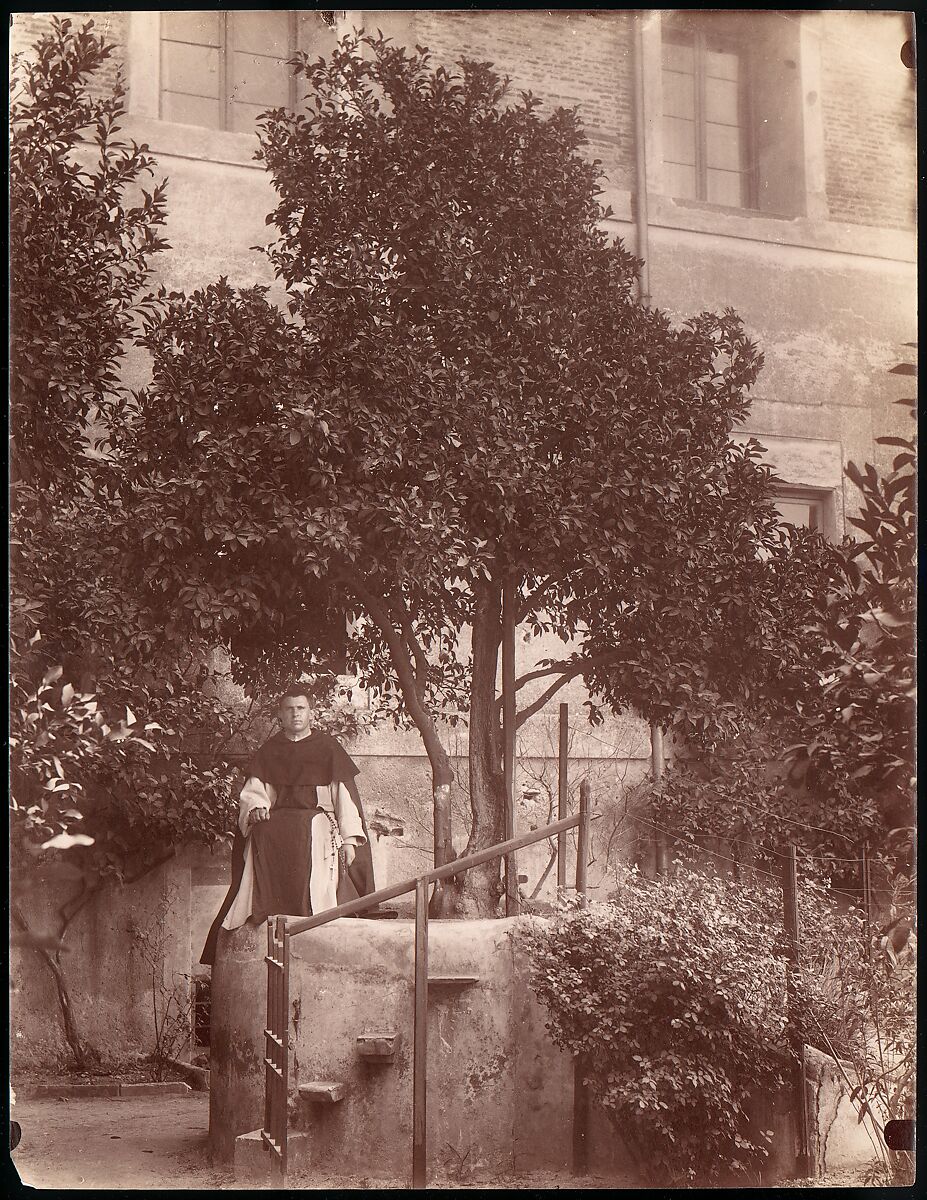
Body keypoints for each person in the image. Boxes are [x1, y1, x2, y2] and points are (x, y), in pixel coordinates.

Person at [200, 684, 375, 966]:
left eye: (301, 708)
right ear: (280, 715)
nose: (295, 714)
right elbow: (256, 791)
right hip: (278, 824)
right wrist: (256, 808)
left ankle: (312, 910)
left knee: (311, 829)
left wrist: (349, 840)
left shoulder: (328, 749)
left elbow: (344, 799)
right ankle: (263, 908)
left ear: (311, 713)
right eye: (289, 709)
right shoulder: (271, 751)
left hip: (319, 819)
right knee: (263, 830)